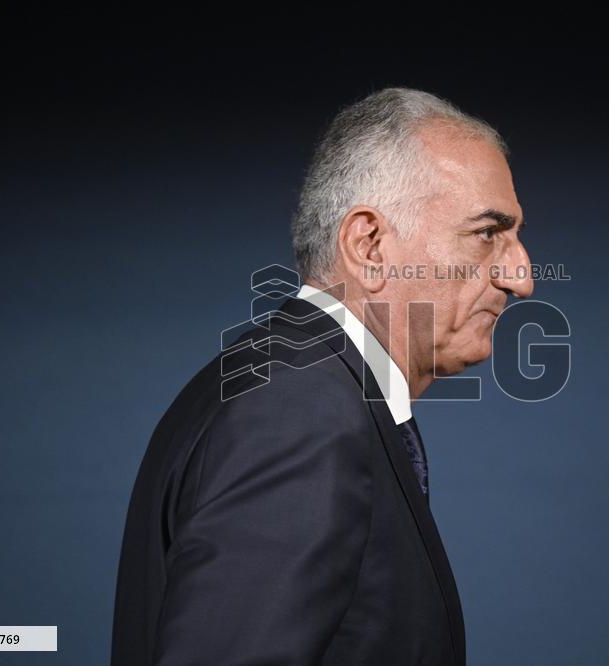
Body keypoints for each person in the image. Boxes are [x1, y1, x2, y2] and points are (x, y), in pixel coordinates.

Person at [111, 87, 534, 665]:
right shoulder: (299, 413)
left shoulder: (288, 386)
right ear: (370, 247)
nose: (521, 276)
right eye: (488, 233)